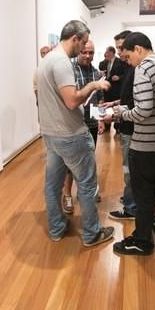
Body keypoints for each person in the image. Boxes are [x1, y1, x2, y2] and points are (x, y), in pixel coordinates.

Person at [36, 20, 114, 246]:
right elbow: (71, 101)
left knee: (52, 185)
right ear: (75, 39)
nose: (85, 48)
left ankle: (57, 228)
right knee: (87, 185)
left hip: (51, 134)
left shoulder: (47, 60)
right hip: (70, 134)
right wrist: (93, 86)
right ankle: (92, 234)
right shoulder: (61, 62)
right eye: (84, 42)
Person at [110, 32, 155, 256]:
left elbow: (143, 110)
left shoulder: (143, 69)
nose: (127, 61)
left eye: (128, 56)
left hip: (145, 146)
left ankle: (141, 241)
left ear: (138, 49)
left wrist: (121, 112)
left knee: (143, 196)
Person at [62, 40, 102, 214]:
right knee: (70, 164)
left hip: (91, 124)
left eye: (91, 52)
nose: (87, 55)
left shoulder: (96, 73)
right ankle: (67, 195)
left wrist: (100, 119)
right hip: (72, 125)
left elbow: (99, 98)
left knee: (89, 159)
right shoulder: (68, 71)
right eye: (84, 52)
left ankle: (87, 191)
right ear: (78, 51)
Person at [105, 30, 137, 220]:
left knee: (129, 169)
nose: (119, 52)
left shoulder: (135, 68)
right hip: (127, 126)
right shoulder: (129, 67)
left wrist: (117, 113)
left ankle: (131, 208)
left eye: (121, 48)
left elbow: (138, 105)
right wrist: (114, 103)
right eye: (117, 48)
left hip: (130, 128)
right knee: (129, 168)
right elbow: (128, 98)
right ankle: (130, 199)